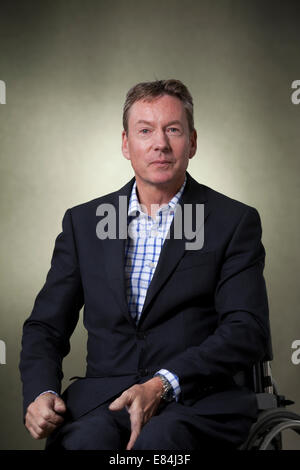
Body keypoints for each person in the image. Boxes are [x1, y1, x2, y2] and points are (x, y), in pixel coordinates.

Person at [19, 79, 271, 450]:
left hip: (196, 402)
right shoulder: (84, 223)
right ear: (126, 144)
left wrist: (162, 382)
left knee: (160, 445)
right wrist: (40, 392)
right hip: (103, 402)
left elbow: (246, 328)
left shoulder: (232, 222)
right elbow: (45, 326)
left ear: (193, 141)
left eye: (173, 130)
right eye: (145, 131)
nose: (160, 144)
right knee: (85, 444)